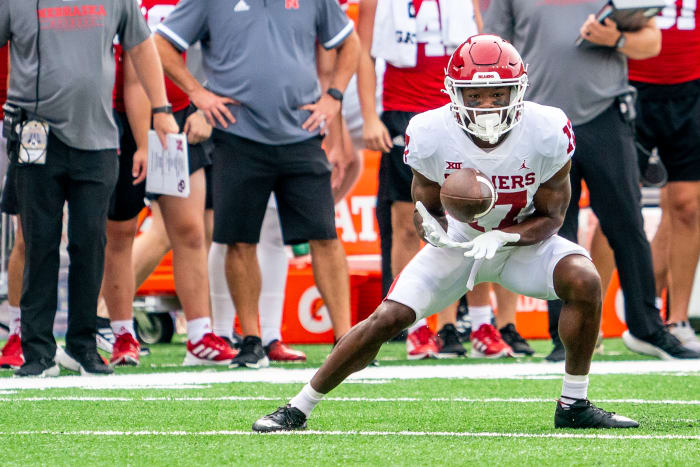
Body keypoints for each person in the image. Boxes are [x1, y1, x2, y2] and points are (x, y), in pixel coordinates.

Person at [253, 35, 640, 431]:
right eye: (474, 96)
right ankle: (297, 407)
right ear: (455, 94)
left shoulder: (547, 128)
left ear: (518, 90)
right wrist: (434, 232)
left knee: (584, 279)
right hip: (458, 244)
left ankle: (574, 404)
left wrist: (507, 236)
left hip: (523, 244)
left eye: (497, 93)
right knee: (387, 318)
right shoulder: (430, 130)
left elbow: (554, 216)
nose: (486, 105)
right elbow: (424, 209)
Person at [484, 0, 699, 361]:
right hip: (540, 120)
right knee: (552, 232)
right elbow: (490, 50)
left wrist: (614, 38)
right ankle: (563, 338)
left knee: (627, 225)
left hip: (605, 116)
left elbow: (651, 44)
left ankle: (648, 328)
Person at [155, 0, 360, 368]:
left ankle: (345, 340)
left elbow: (350, 42)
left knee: (325, 237)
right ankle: (252, 340)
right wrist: (197, 94)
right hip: (238, 134)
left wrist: (334, 98)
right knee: (239, 240)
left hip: (302, 131)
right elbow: (161, 44)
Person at [0, 0, 179, 377]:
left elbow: (142, 46)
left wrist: (161, 110)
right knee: (39, 242)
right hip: (35, 135)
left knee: (90, 243)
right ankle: (37, 352)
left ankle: (83, 348)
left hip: (98, 139)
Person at [97, 0, 237, 369]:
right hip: (119, 117)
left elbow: (224, 53)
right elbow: (133, 69)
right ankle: (121, 331)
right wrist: (143, 137)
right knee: (121, 231)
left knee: (190, 230)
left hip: (176, 119)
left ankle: (200, 334)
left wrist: (201, 104)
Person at [357, 0, 481, 359]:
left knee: (461, 216)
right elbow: (363, 54)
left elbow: (481, 49)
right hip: (402, 110)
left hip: (456, 111)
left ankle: (447, 325)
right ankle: (415, 325)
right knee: (407, 220)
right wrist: (369, 116)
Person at [627, 2, 700, 353]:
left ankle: (678, 318)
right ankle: (588, 315)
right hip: (632, 86)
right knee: (618, 201)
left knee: (687, 206)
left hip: (691, 88)